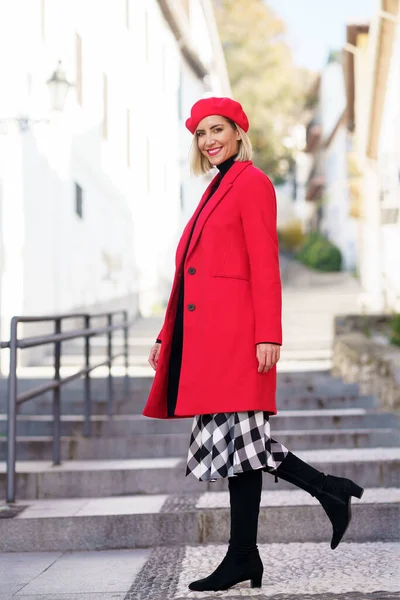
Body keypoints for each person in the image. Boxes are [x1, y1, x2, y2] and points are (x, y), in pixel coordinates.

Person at [143, 97, 364, 592]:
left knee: (244, 444)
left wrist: (268, 333)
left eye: (217, 129)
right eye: (200, 133)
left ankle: (266, 540)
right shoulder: (214, 187)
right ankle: (308, 509)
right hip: (208, 340)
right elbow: (189, 274)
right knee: (244, 447)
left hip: (238, 338)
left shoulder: (253, 182)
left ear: (240, 132)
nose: (209, 140)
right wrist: (166, 334)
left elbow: (265, 261)